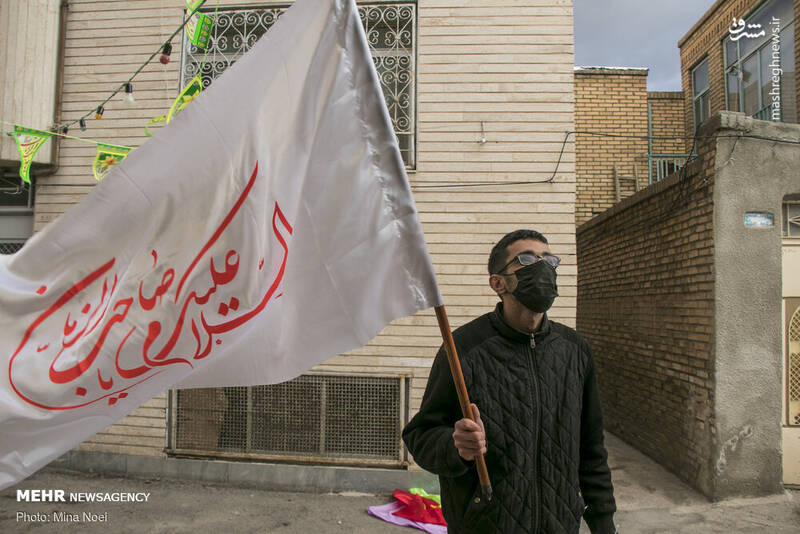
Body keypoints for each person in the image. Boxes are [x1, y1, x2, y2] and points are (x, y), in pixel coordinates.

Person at [402, 229, 617, 534]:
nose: (542, 267)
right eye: (526, 259)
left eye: (549, 260)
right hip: (484, 524)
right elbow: (420, 436)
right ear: (497, 282)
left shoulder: (575, 350)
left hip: (560, 525)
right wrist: (455, 447)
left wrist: (603, 522)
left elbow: (592, 448)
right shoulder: (463, 348)